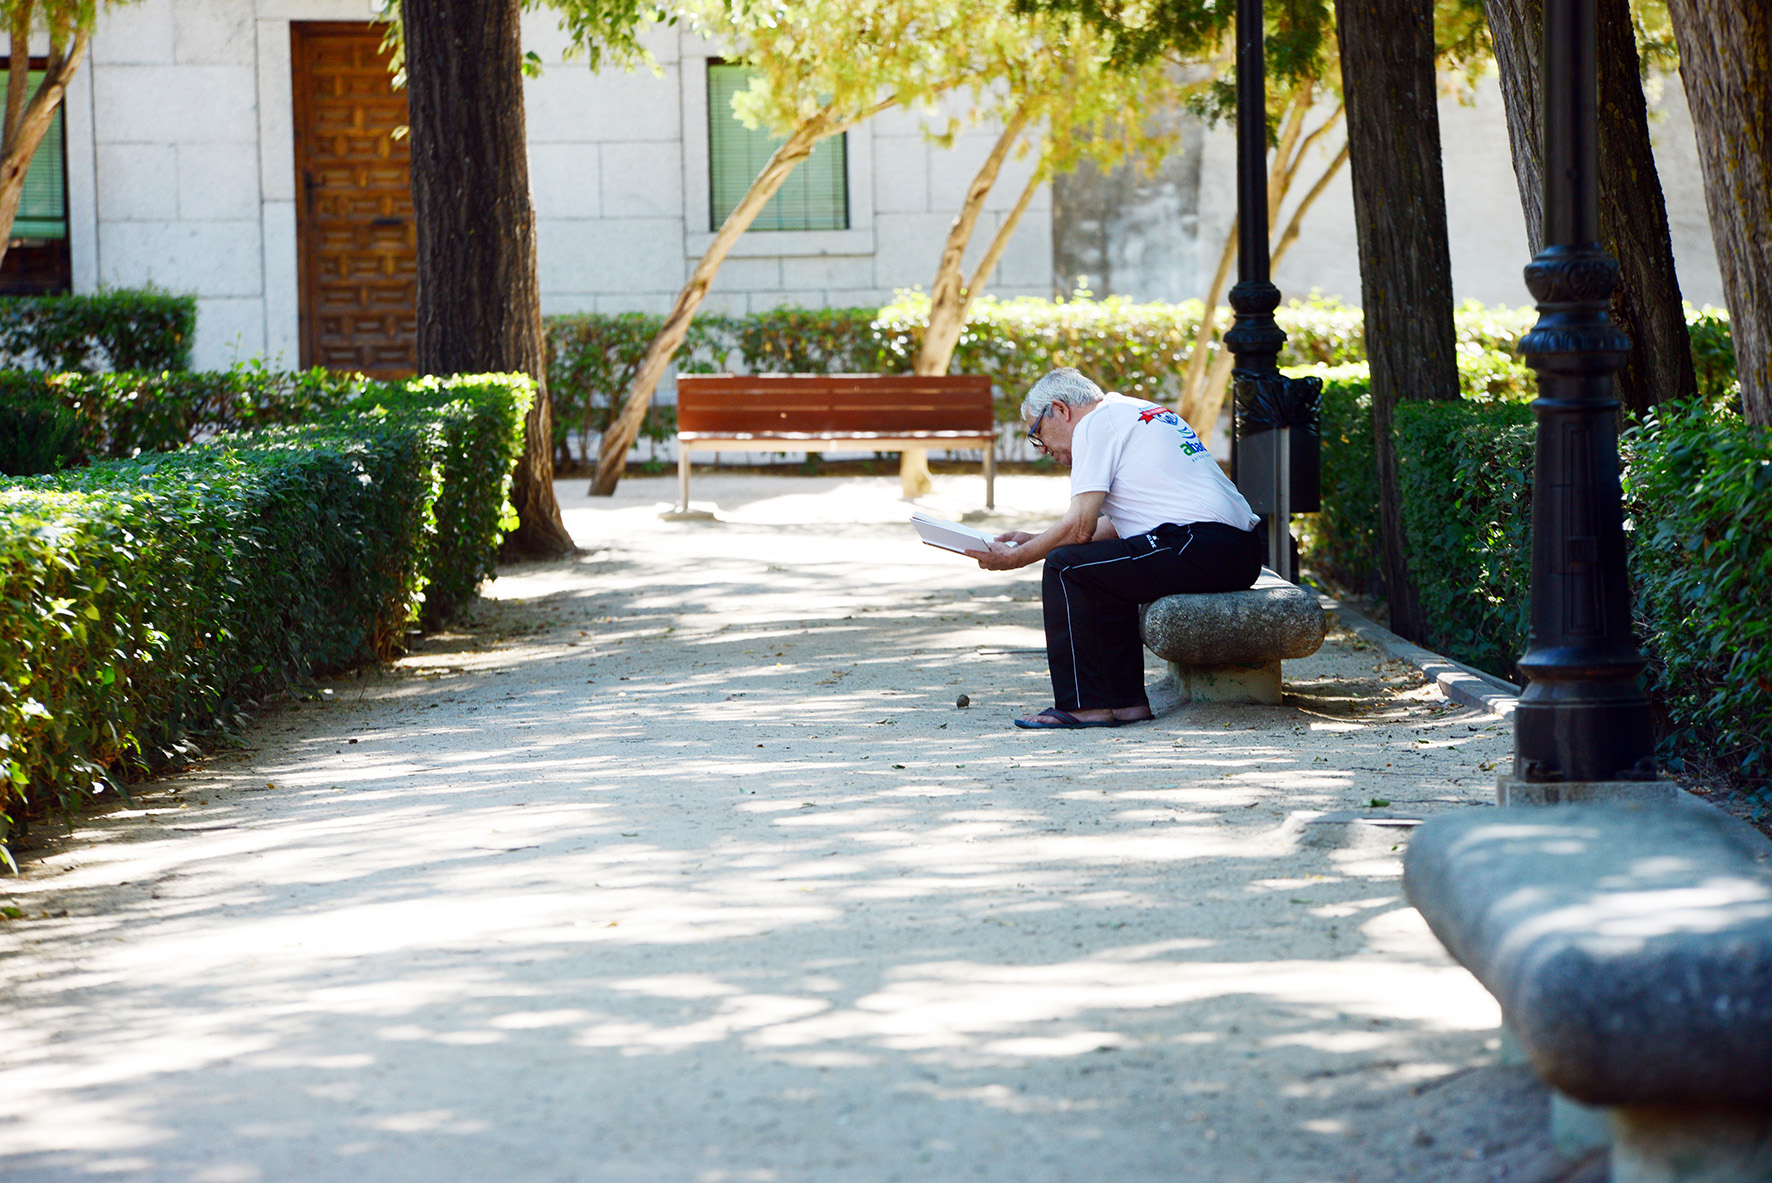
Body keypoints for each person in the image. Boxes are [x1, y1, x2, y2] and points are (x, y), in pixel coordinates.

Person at [967, 368, 1263, 729]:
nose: (1043, 449)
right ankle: (1125, 704)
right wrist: (1037, 538)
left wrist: (1015, 557)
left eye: (1038, 434)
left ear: (1059, 410)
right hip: (1233, 548)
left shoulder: (1096, 423)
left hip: (1199, 543)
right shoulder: (1132, 411)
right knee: (1098, 568)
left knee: (1065, 568)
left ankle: (1081, 705)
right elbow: (1109, 526)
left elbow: (1079, 526)